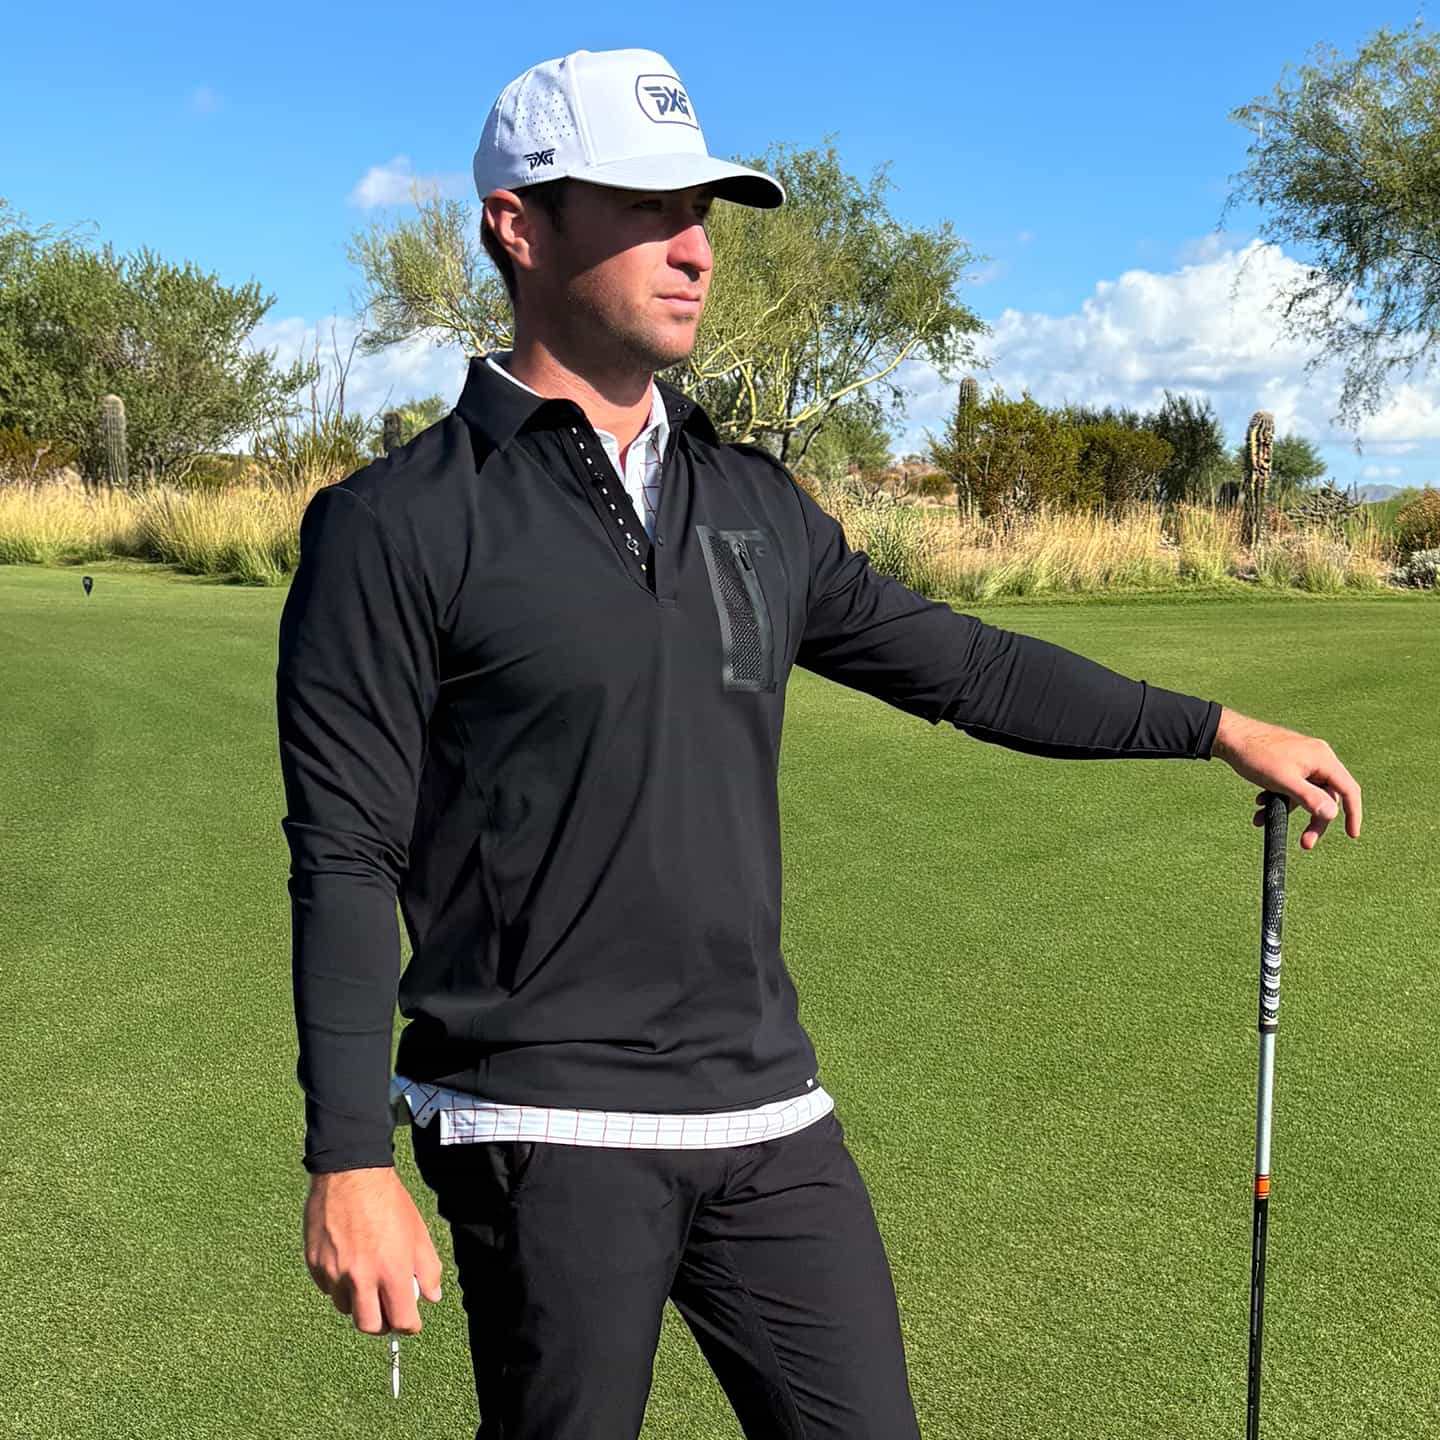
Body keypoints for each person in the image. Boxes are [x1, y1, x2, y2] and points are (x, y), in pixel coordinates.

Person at [275, 46, 1362, 1440]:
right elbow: (346, 855)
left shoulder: (753, 504)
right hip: (543, 1124)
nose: (693, 248)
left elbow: (967, 670)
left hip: (765, 1113)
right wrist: (348, 1157)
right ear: (518, 225)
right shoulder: (397, 524)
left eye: (701, 214)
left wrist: (1215, 728)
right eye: (647, 208)